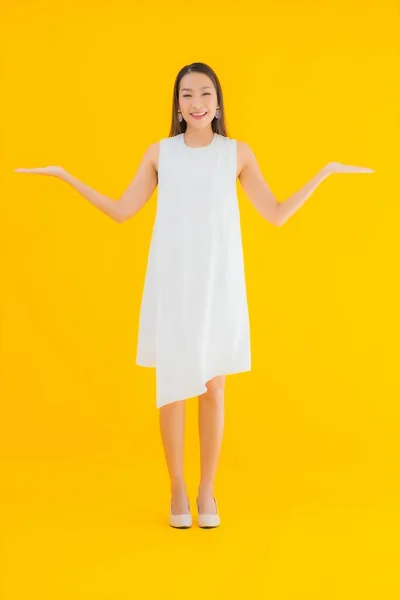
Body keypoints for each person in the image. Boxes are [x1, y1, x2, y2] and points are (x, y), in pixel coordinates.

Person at [14, 61, 374, 530]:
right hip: (173, 281)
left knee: (213, 386)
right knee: (172, 387)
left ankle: (207, 491)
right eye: (187, 95)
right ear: (177, 105)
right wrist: (65, 175)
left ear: (218, 102)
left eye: (205, 93)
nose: (197, 102)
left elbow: (277, 213)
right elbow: (123, 211)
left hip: (218, 283)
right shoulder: (161, 153)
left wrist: (325, 172)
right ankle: (177, 489)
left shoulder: (237, 154)